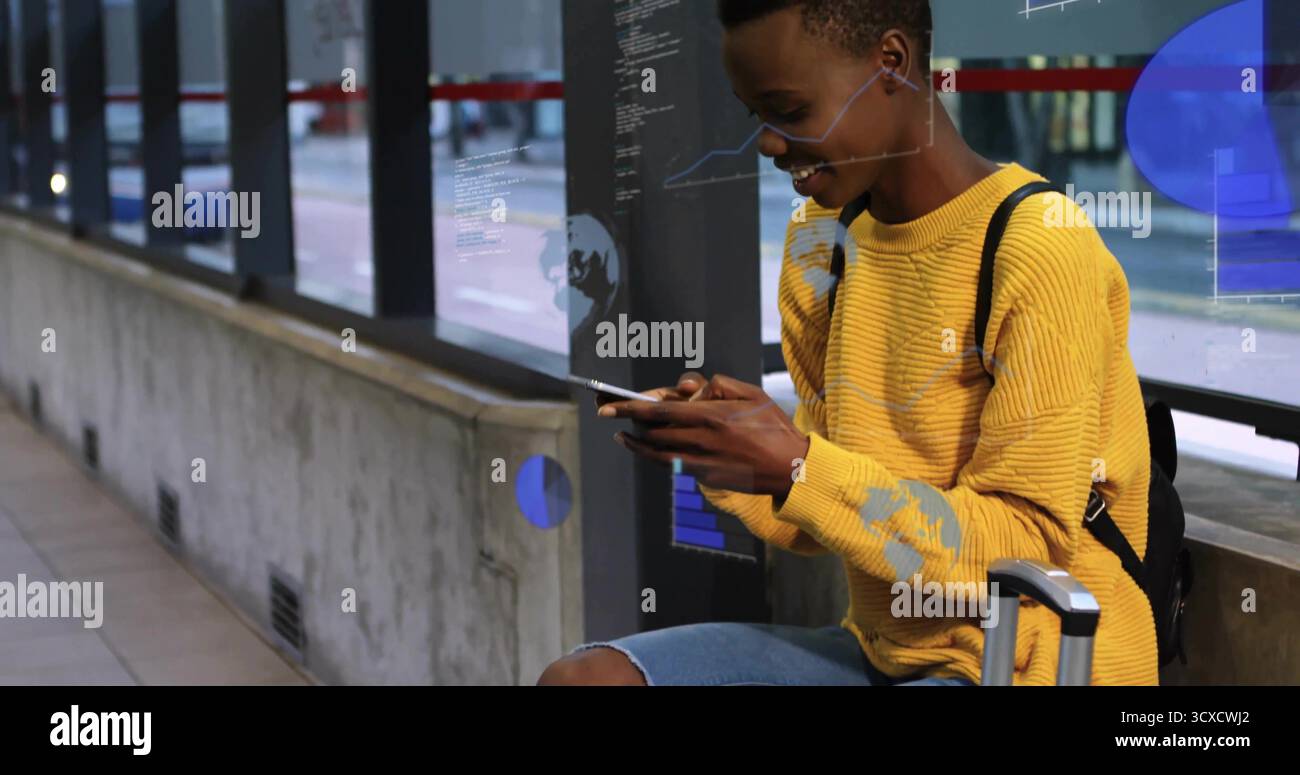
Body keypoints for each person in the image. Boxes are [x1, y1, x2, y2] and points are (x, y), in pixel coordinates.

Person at [539, 0, 1157, 686]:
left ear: (890, 62)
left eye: (789, 110)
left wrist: (801, 464)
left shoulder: (1041, 246)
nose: (769, 143)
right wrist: (730, 459)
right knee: (586, 680)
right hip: (883, 652)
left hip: (1021, 660)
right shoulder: (819, 243)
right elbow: (817, 520)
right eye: (756, 116)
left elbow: (1023, 548)